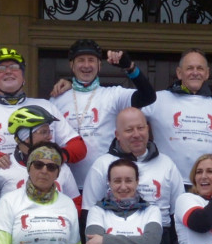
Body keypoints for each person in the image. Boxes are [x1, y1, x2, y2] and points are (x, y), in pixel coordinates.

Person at [0, 48, 86, 173]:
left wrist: (56, 157)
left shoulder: (45, 106)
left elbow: (79, 147)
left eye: (14, 67)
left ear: (23, 76)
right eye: (0, 68)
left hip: (45, 186)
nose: (8, 71)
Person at [49, 39, 157, 184]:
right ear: (71, 65)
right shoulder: (57, 99)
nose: (86, 65)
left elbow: (148, 96)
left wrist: (130, 68)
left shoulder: (113, 95)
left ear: (99, 65)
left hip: (106, 183)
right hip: (67, 182)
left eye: (91, 60)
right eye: (81, 60)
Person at [141, 48, 212, 177]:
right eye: (189, 68)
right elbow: (127, 118)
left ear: (207, 73)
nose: (195, 72)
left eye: (200, 68)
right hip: (166, 181)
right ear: (179, 73)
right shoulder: (158, 99)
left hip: (207, 184)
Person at [0, 106, 81, 214]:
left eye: (49, 132)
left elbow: (76, 205)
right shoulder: (0, 167)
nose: (49, 137)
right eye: (44, 132)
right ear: (25, 136)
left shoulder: (59, 167)